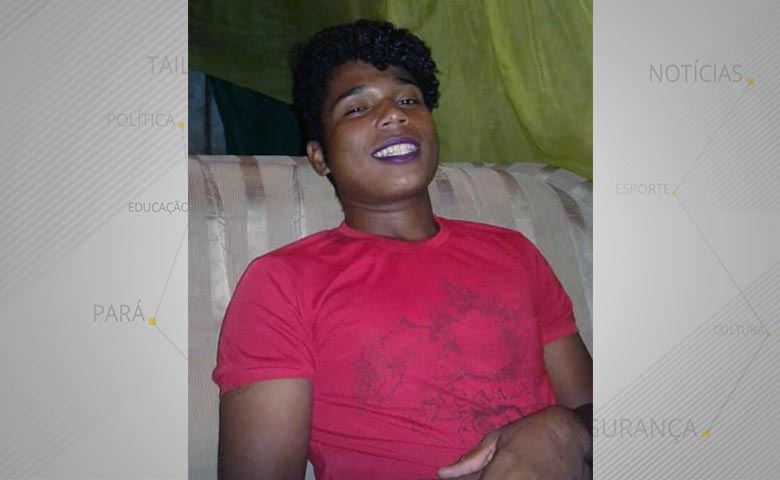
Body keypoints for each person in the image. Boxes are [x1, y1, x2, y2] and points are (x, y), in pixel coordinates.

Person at [213, 19, 592, 480]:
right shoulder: (282, 281)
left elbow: (593, 410)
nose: (394, 114)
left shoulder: (515, 253)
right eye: (356, 108)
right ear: (319, 157)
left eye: (409, 100)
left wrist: (564, 430)